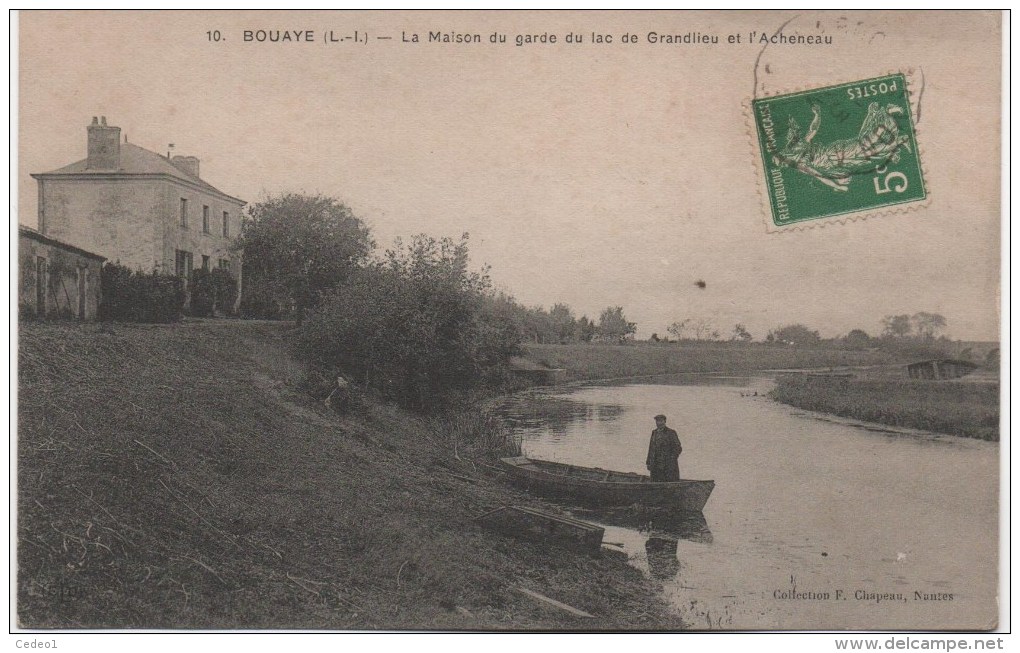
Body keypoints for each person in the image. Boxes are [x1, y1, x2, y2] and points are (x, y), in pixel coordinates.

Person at [646, 414, 682, 482]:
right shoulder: (654, 432)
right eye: (657, 421)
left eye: (660, 421)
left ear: (665, 421)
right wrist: (648, 462)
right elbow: (651, 448)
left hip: (668, 465)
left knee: (668, 480)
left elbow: (678, 448)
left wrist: (671, 459)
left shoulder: (671, 433)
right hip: (655, 464)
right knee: (655, 481)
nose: (658, 423)